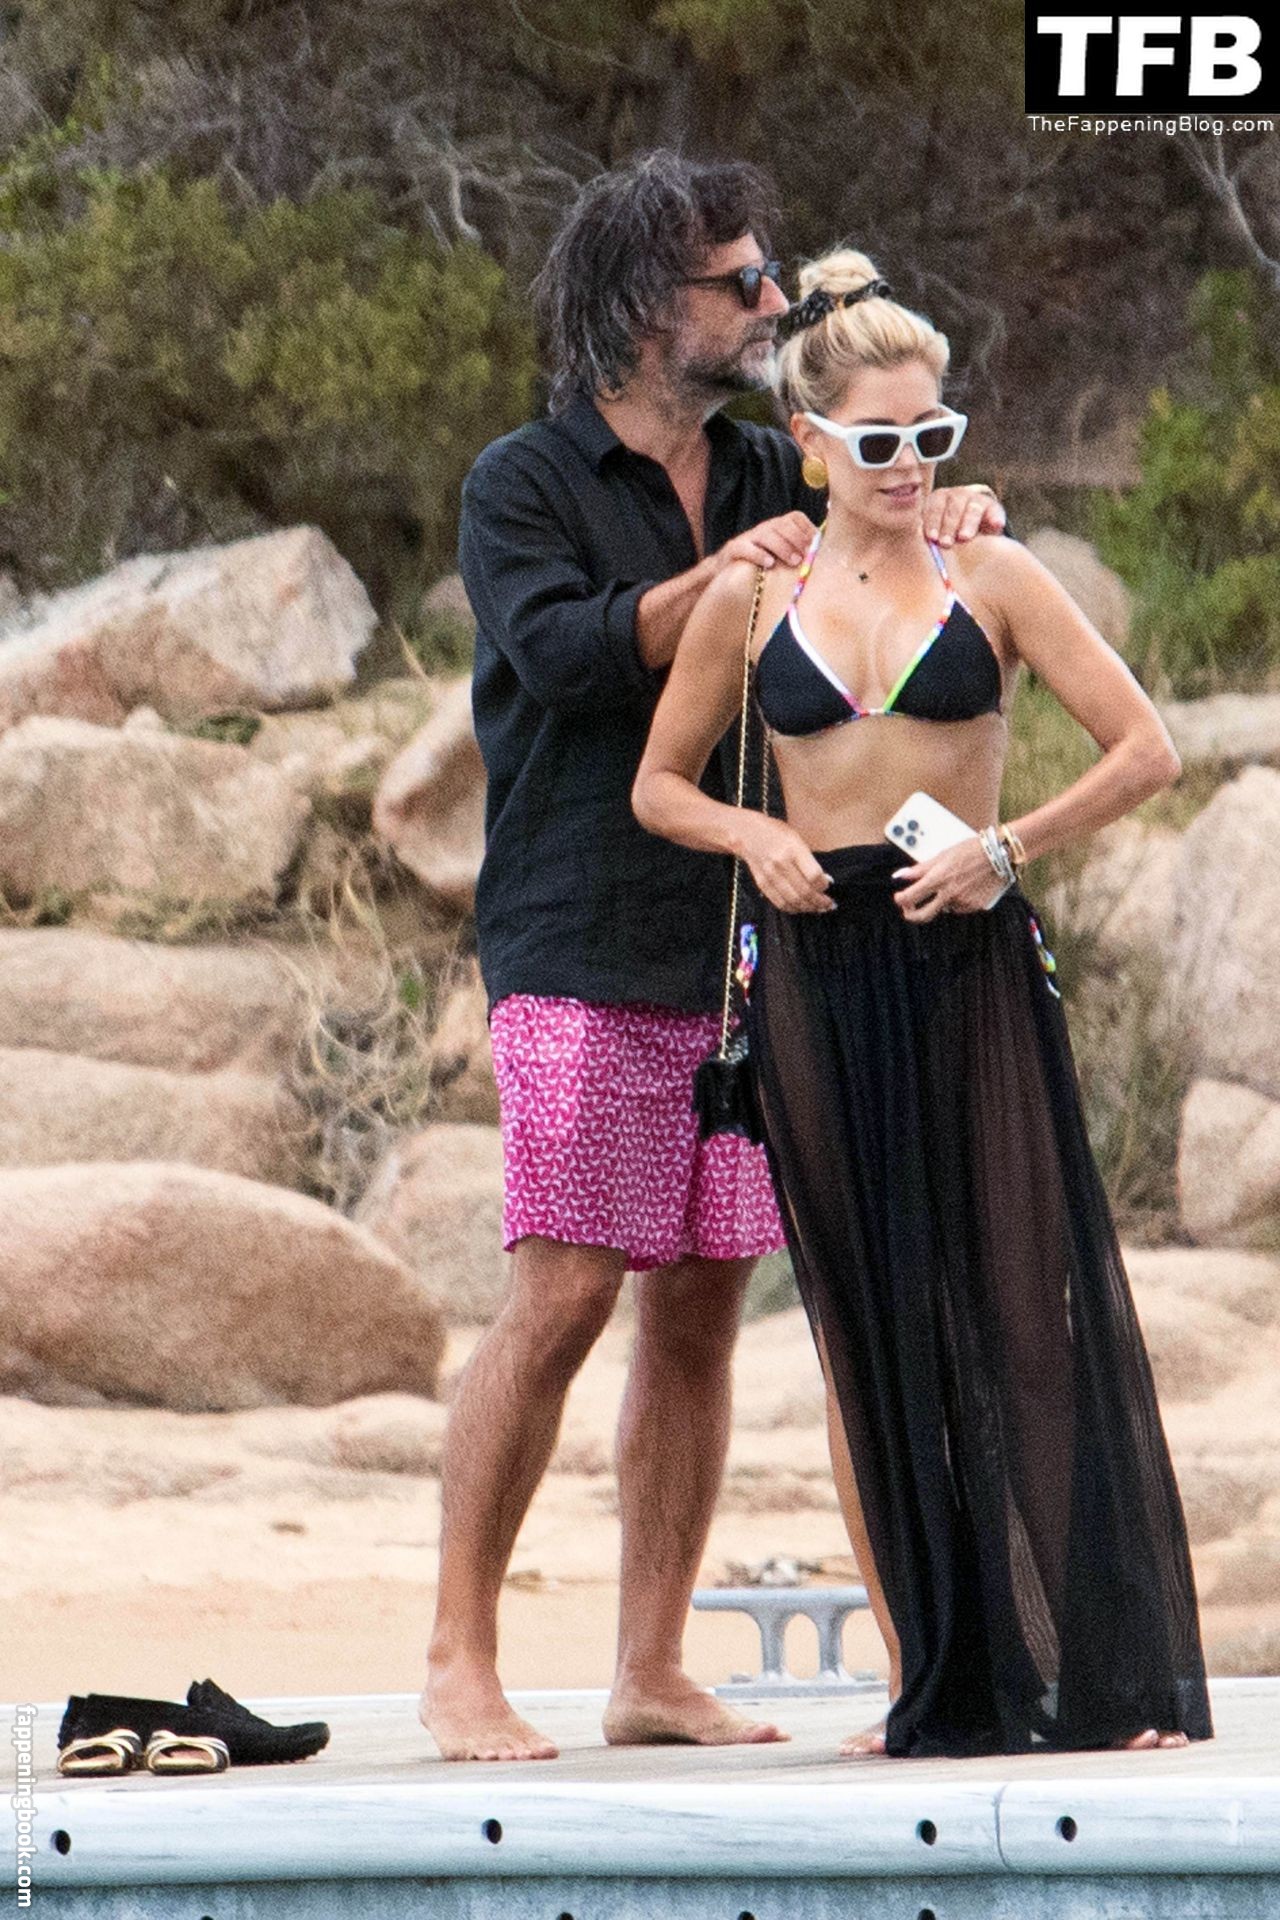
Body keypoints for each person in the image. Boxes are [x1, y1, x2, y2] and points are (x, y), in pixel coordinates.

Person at [420, 154, 1008, 1765]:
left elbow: (888, 542)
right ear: (641, 306)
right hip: (575, 936)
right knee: (564, 1291)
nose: (771, 303)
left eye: (769, 276)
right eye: (740, 283)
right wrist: (730, 576)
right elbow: (568, 656)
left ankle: (650, 1669)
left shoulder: (769, 466)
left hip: (757, 945)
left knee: (698, 1309)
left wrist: (945, 507)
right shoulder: (522, 482)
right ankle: (460, 1657)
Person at [632, 247, 1214, 1759]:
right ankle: (939, 1685)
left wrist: (1007, 848)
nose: (910, 465)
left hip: (969, 960)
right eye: (880, 440)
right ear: (813, 442)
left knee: (1028, 1308)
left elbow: (1146, 749)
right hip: (820, 974)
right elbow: (658, 786)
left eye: (933, 436)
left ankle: (1100, 1681)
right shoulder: (753, 597)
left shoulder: (991, 572)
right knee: (874, 1332)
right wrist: (753, 835)